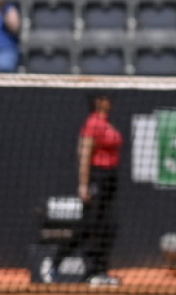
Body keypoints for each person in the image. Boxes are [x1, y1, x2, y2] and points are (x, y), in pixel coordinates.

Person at [54, 93, 123, 287]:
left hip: (110, 179)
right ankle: (59, 263)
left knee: (108, 226)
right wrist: (84, 185)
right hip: (97, 177)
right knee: (89, 226)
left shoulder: (106, 123)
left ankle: (100, 271)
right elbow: (83, 155)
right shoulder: (92, 123)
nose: (111, 101)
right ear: (98, 102)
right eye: (106, 98)